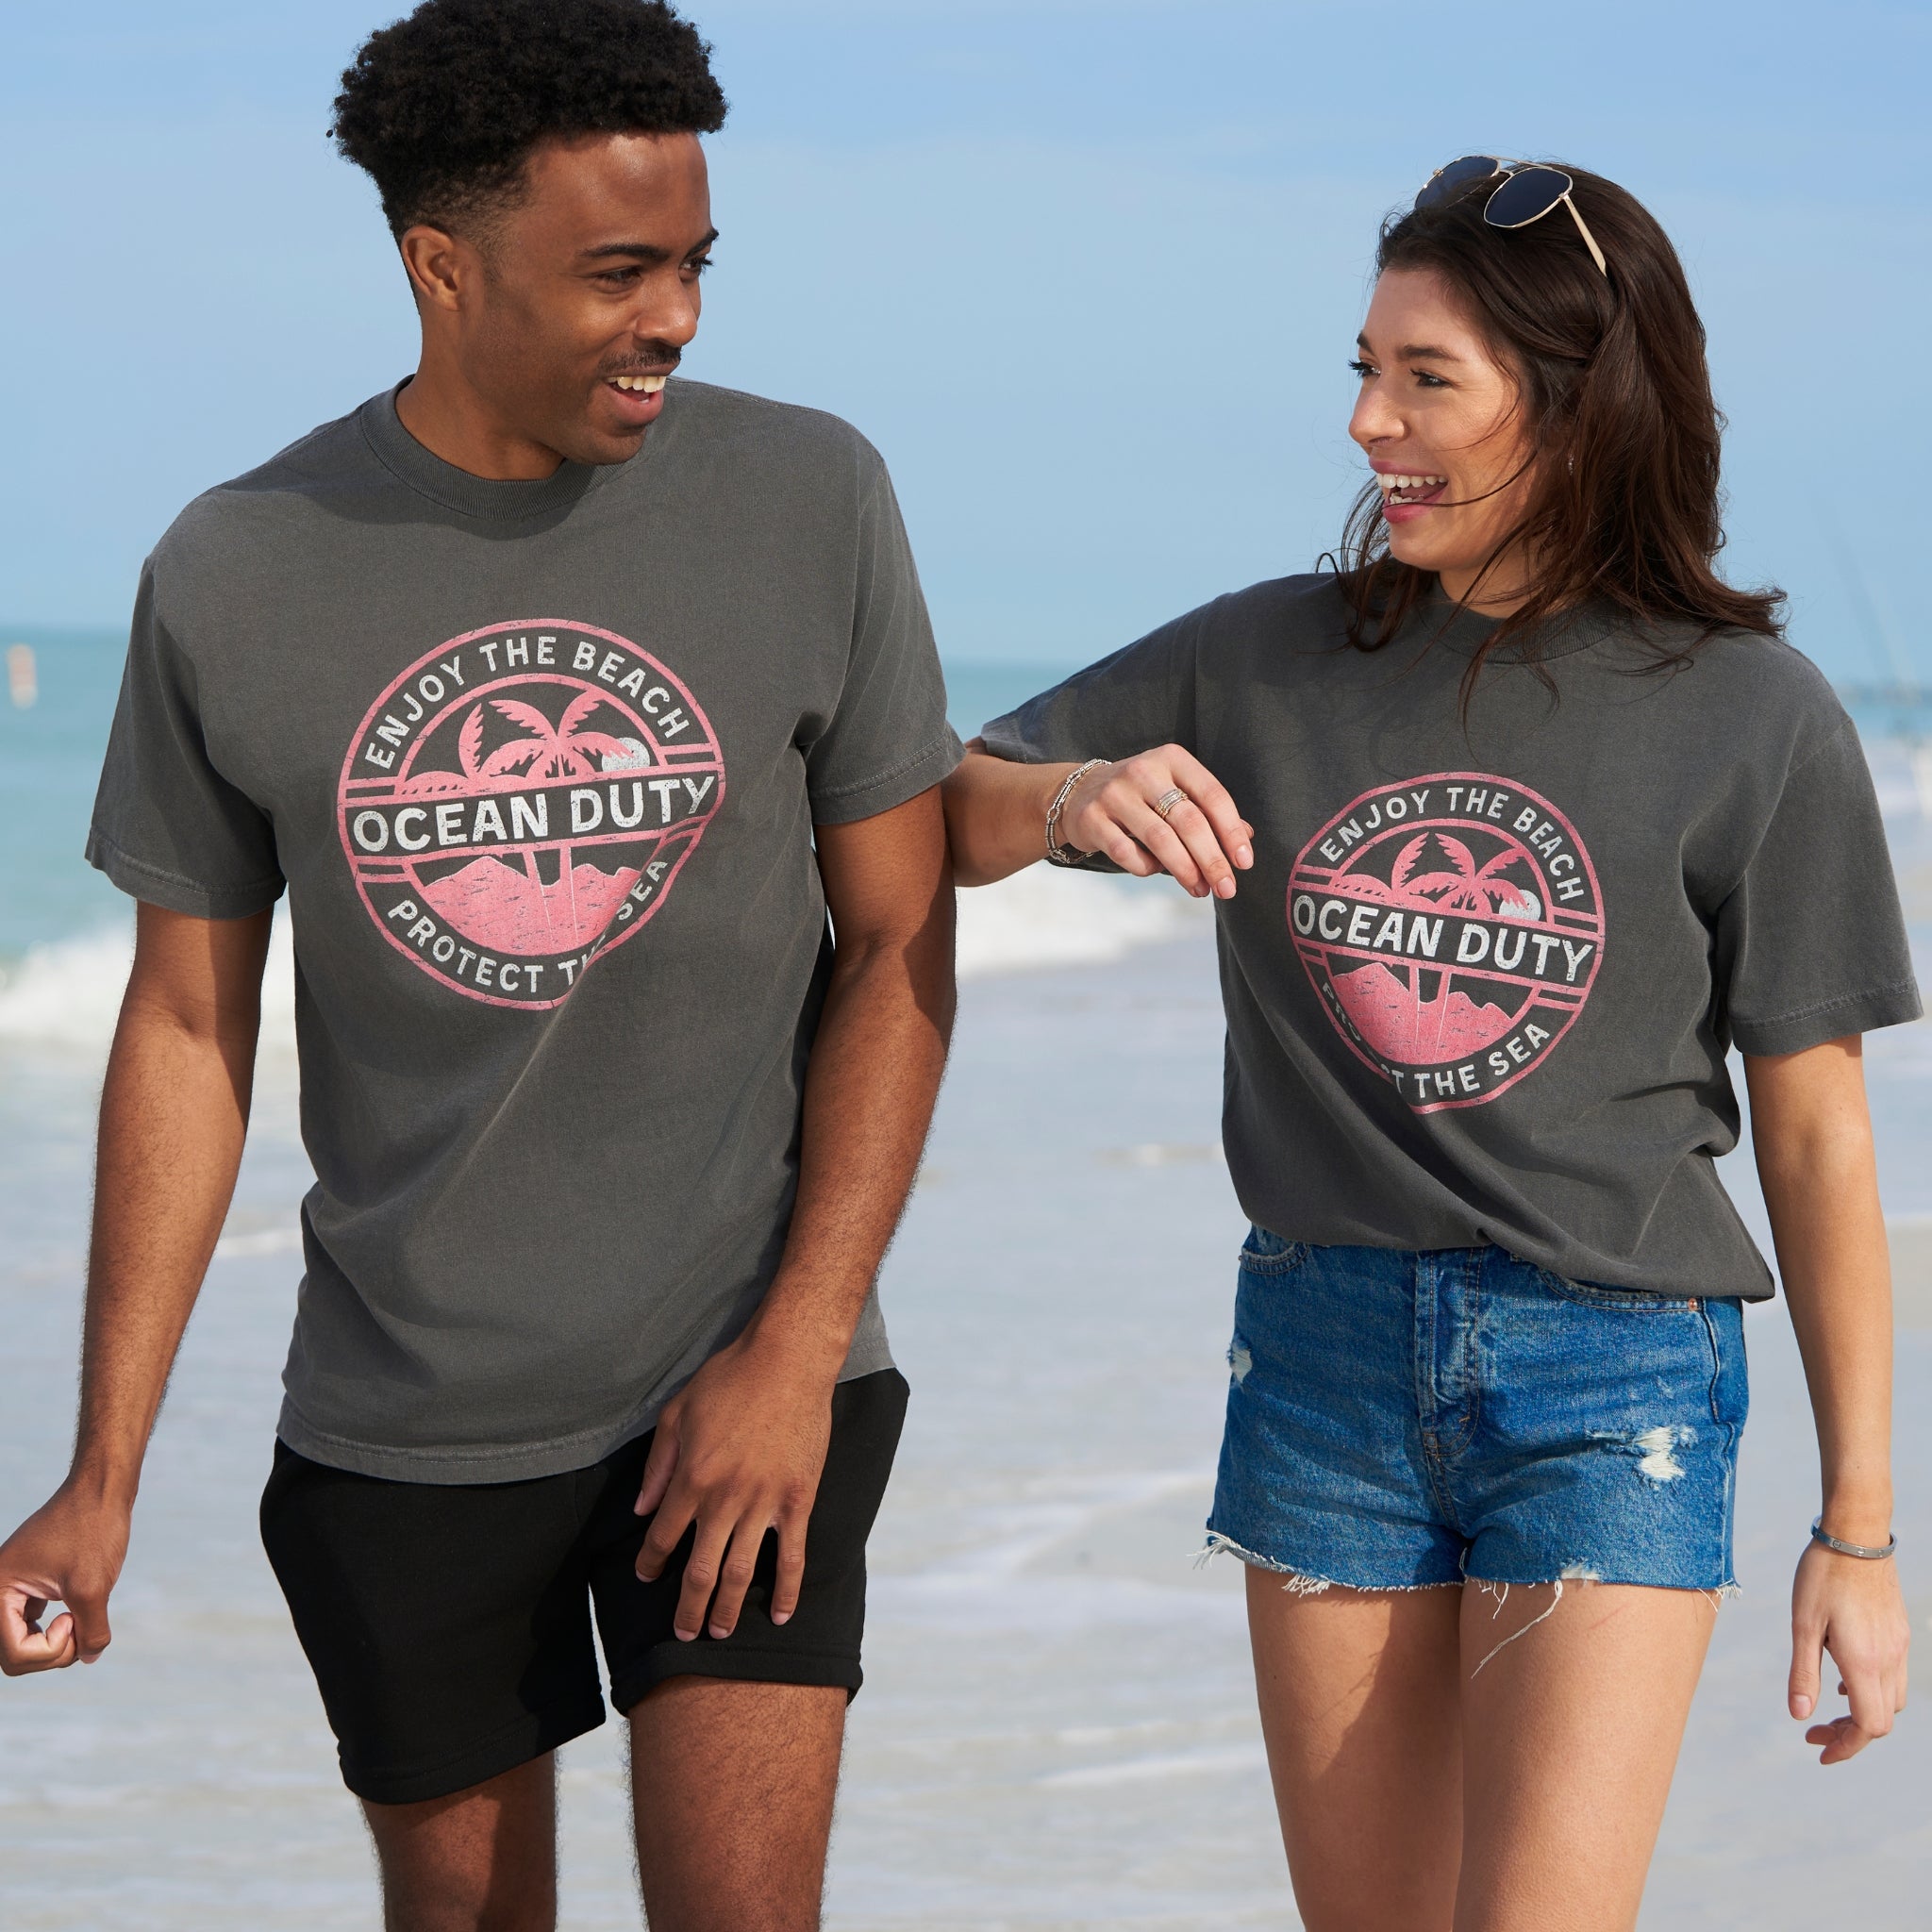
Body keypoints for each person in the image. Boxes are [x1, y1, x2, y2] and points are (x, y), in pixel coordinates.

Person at [0, 4, 958, 1928]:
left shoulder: (810, 496)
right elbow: (185, 1027)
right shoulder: (236, 569)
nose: (675, 317)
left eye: (694, 262)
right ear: (442, 268)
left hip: (742, 1366)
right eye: (619, 272)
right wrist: (101, 1473)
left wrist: (794, 1349)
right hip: (410, 1411)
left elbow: (898, 940)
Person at [943, 158, 1916, 1929]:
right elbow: (941, 800)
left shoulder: (1754, 716)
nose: (1367, 421)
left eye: (1424, 378)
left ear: (1577, 399)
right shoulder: (1265, 657)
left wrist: (1858, 1528)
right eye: (1363, 369)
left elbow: (1817, 1134)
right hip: (1322, 1357)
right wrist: (1073, 795)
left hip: (1615, 1374)